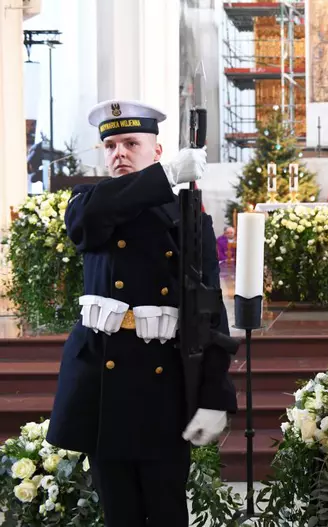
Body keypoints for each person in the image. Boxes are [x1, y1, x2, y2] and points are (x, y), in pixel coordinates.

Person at [46, 100, 238, 526]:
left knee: (167, 511)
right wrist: (166, 175)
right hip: (102, 387)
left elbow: (209, 314)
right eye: (110, 145)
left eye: (132, 142)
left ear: (156, 147)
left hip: (162, 389)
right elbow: (92, 219)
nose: (119, 152)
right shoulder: (87, 202)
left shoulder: (188, 217)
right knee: (119, 514)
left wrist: (214, 396)